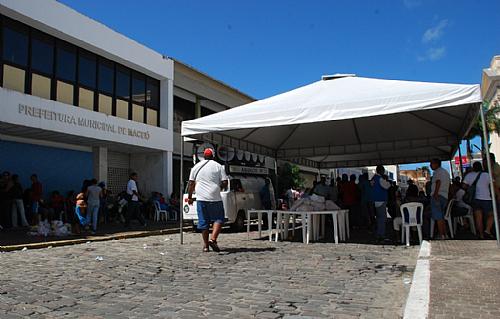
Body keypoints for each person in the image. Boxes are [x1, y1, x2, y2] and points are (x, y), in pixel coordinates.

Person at [187, 148, 228, 253]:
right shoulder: (218, 166)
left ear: (203, 156)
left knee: (203, 221)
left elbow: (191, 184)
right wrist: (219, 188)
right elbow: (225, 182)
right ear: (213, 156)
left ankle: (205, 246)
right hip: (215, 197)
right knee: (219, 218)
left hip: (201, 198)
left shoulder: (195, 167)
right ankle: (213, 239)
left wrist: (190, 197)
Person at [463, 161, 495, 239]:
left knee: (478, 217)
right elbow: (493, 186)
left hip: (475, 199)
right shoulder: (487, 175)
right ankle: (487, 230)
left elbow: (464, 186)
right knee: (491, 215)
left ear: (473, 168)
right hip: (486, 198)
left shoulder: (469, 175)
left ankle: (481, 235)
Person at [430, 158, 451, 239]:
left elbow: (438, 182)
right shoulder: (446, 172)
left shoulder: (437, 172)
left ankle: (441, 235)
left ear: (436, 164)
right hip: (444, 196)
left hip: (438, 195)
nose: (430, 165)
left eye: (432, 163)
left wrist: (435, 194)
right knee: (441, 216)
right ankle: (445, 234)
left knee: (438, 216)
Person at [372, 165, 391, 242]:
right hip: (381, 200)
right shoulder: (380, 179)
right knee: (382, 219)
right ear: (381, 171)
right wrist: (387, 180)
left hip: (375, 200)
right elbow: (387, 186)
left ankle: (378, 233)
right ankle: (381, 234)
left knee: (378, 218)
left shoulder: (373, 178)